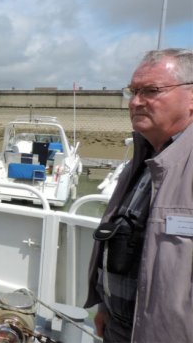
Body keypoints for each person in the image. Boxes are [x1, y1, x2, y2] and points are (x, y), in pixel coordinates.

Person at [85, 49, 193, 342]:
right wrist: (105, 307)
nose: (135, 102)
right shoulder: (146, 157)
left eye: (151, 91)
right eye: (133, 91)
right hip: (119, 326)